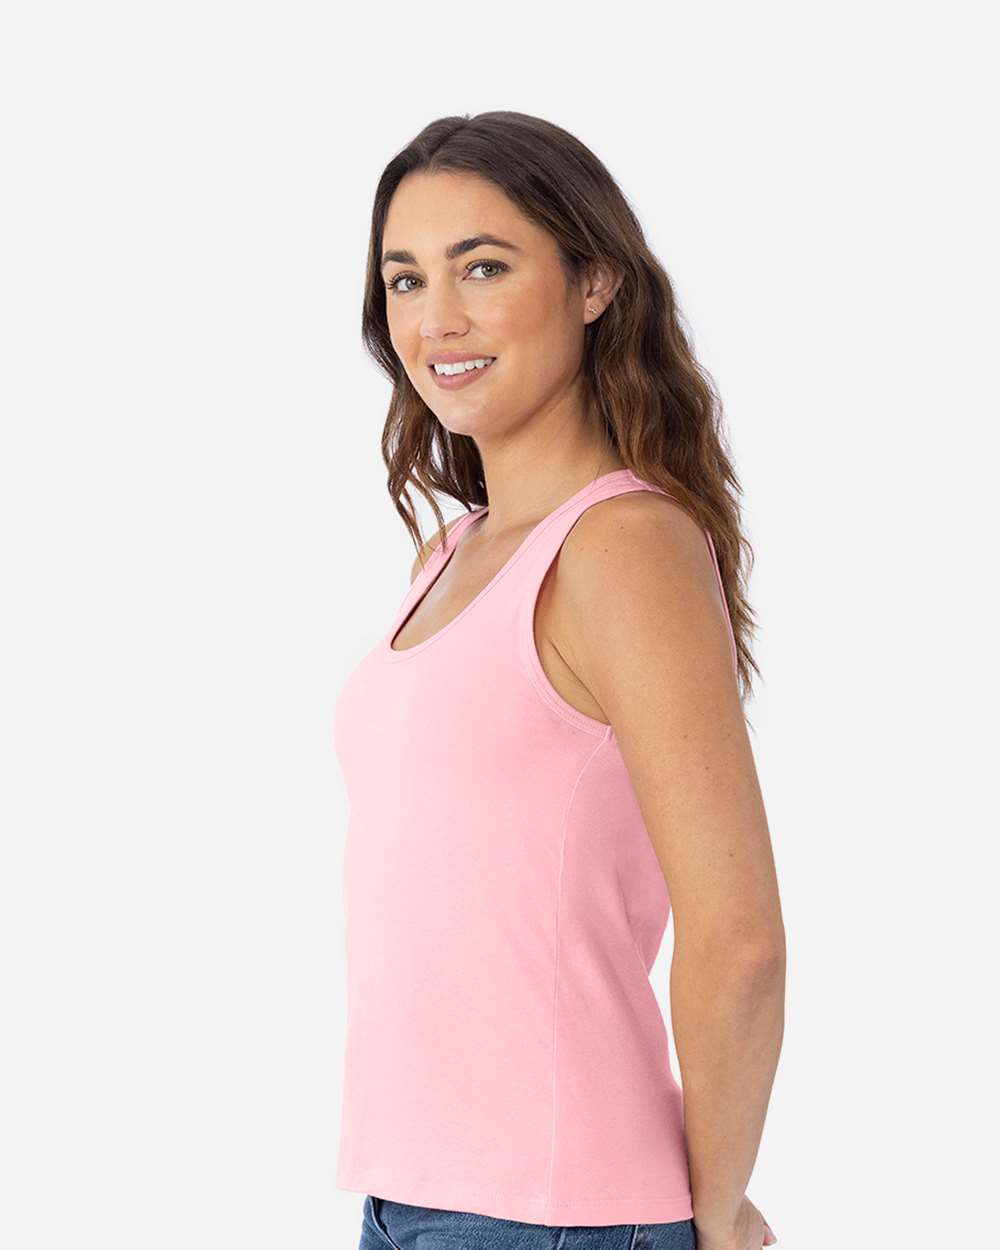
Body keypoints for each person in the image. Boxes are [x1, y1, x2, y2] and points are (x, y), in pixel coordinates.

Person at [333, 111, 785, 1250]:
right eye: (405, 278)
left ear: (594, 282)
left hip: (555, 1215)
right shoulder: (451, 553)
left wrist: (716, 1214)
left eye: (483, 266)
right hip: (407, 1193)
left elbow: (738, 938)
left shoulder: (623, 546)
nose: (436, 318)